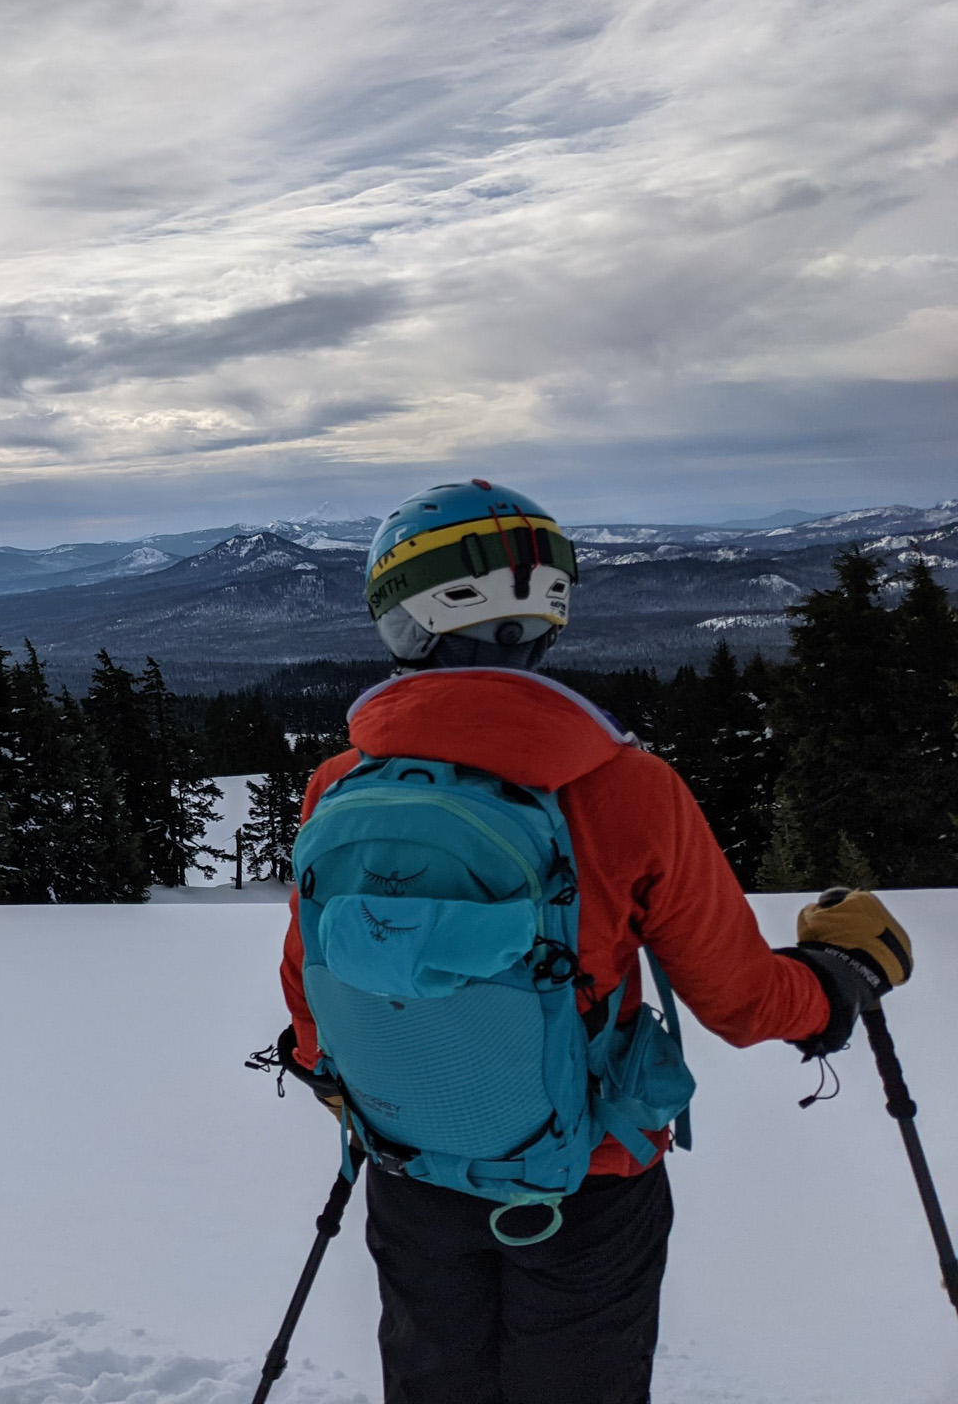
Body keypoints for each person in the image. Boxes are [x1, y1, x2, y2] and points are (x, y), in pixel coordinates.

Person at [274, 480, 915, 1404]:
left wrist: (367, 1083)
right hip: (585, 1183)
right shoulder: (628, 790)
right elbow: (740, 1002)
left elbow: (313, 984)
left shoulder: (339, 785)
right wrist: (840, 979)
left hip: (413, 1172)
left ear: (404, 618)